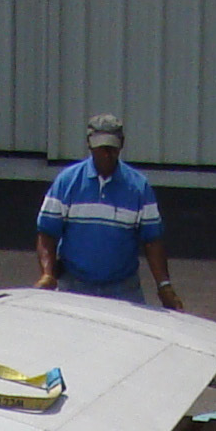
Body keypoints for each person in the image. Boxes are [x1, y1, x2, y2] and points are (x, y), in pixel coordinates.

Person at [34, 114, 183, 308]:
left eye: (112, 147)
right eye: (101, 147)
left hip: (123, 289)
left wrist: (164, 286)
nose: (107, 154)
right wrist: (47, 273)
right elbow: (47, 233)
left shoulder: (138, 187)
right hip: (73, 285)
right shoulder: (67, 182)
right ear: (89, 145)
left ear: (122, 144)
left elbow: (152, 241)